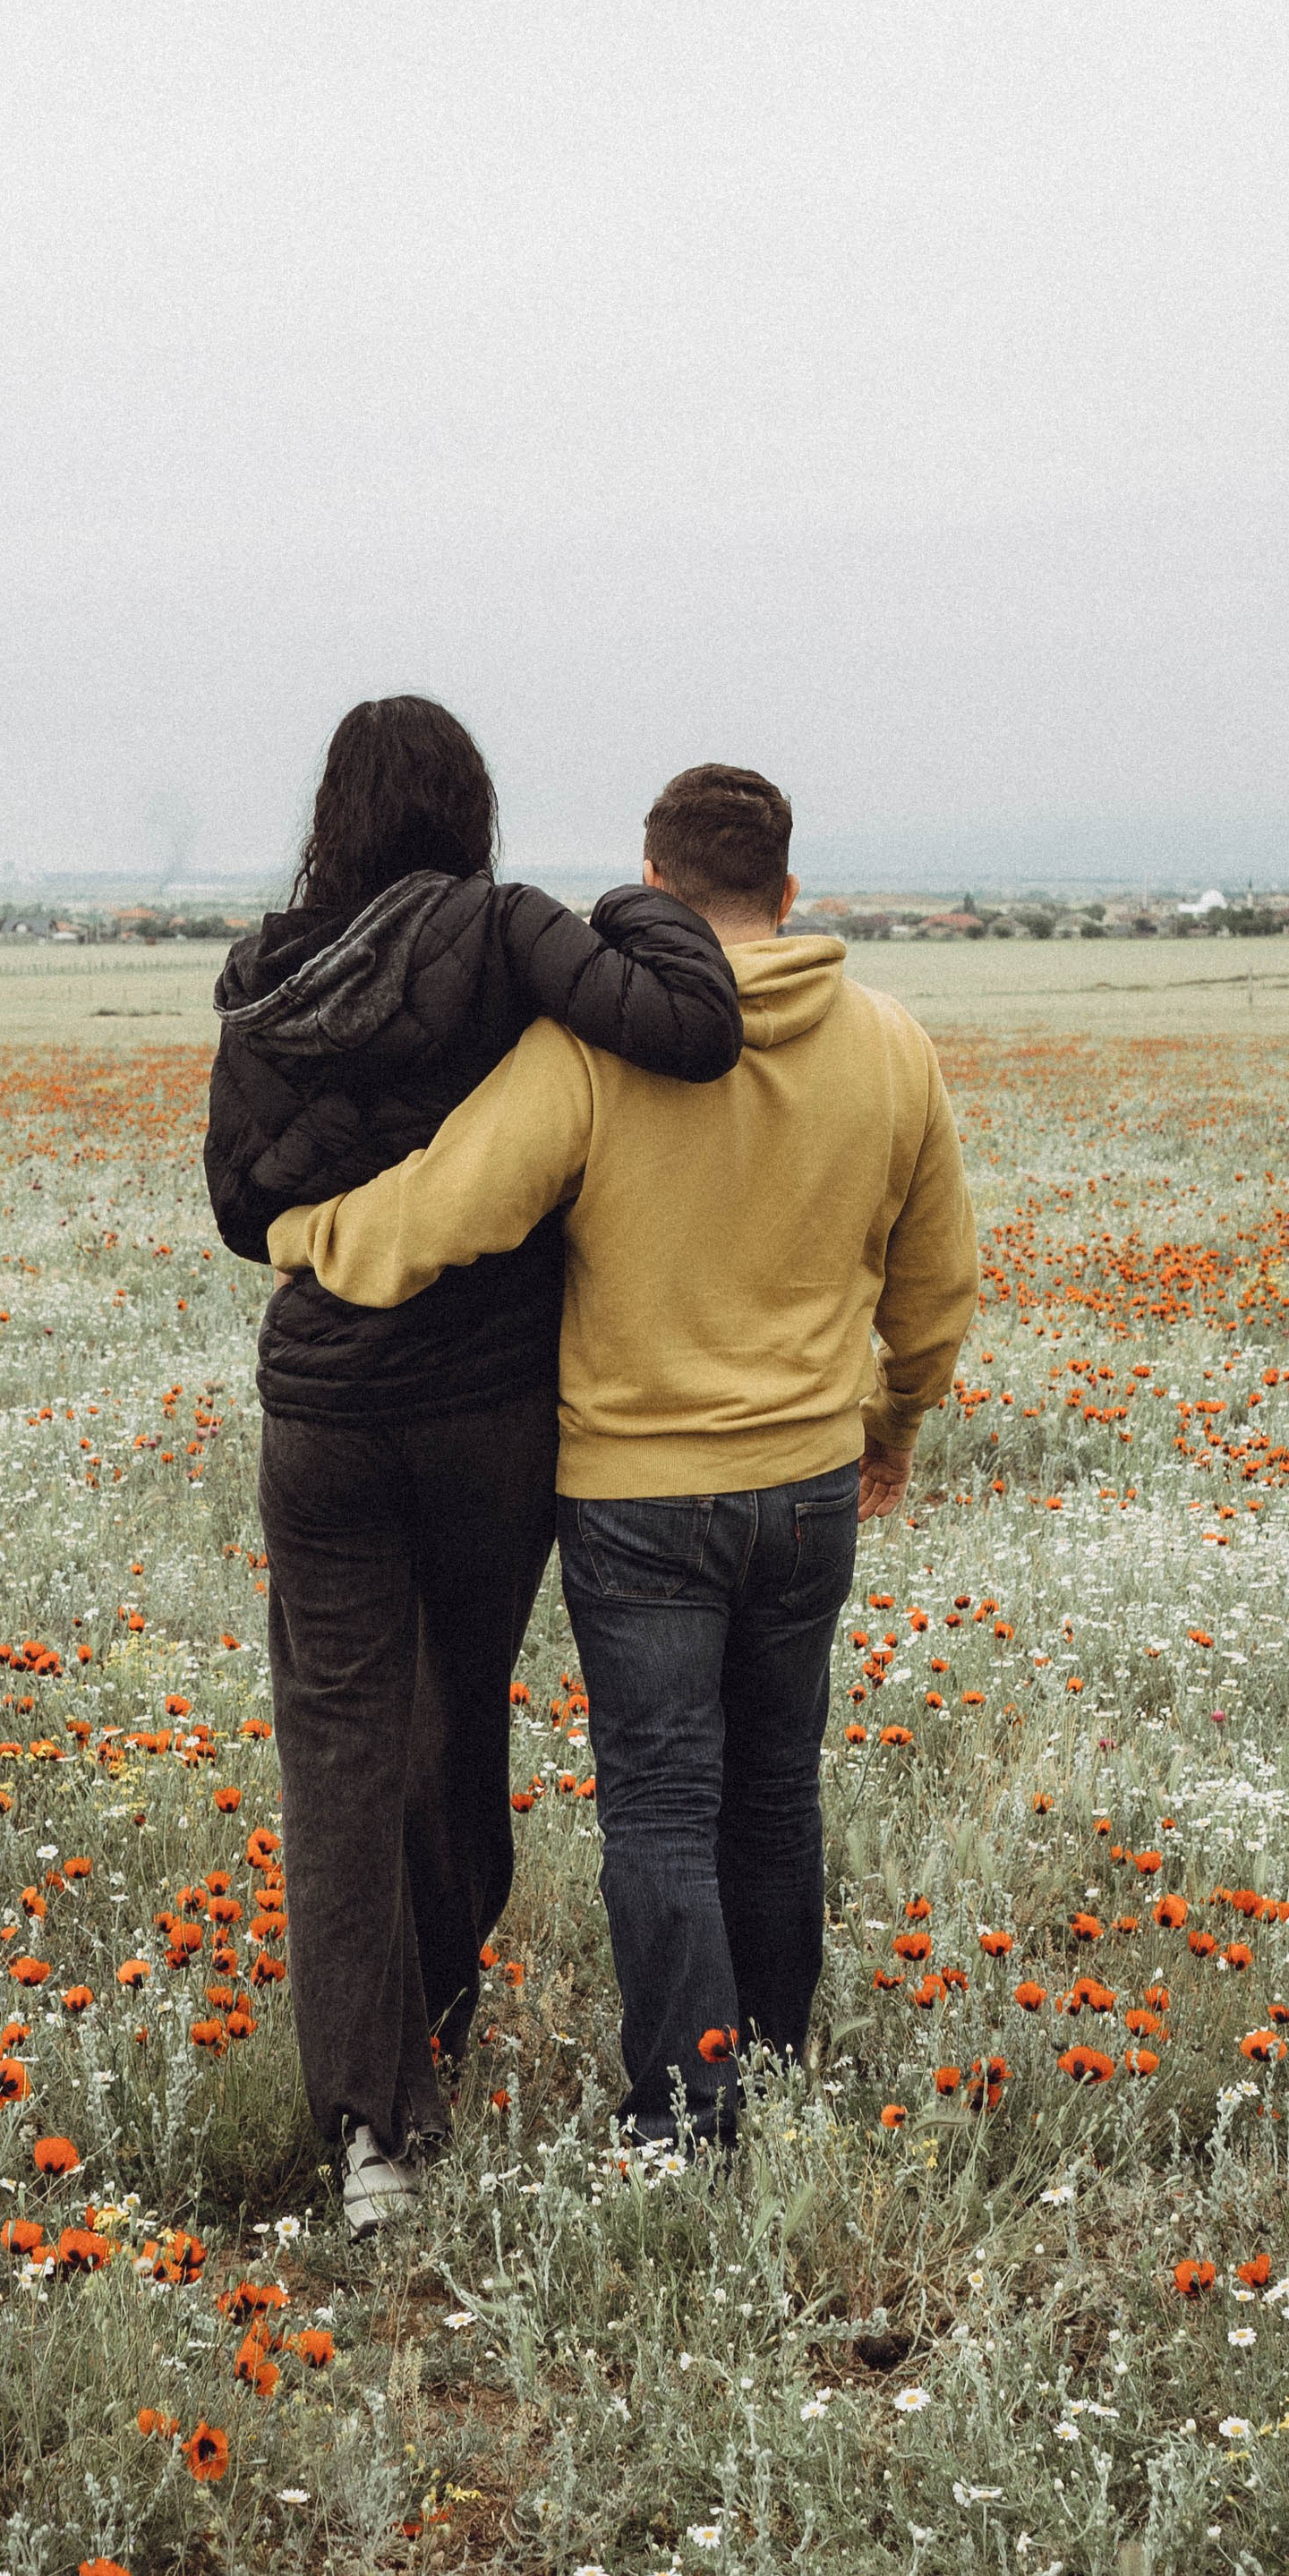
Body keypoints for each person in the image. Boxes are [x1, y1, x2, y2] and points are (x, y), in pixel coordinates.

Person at [268, 760, 978, 2153]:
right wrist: (890, 1428)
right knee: (776, 1786)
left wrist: (300, 1235)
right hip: (807, 1484)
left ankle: (683, 2121)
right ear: (788, 890)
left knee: (659, 1805)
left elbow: (440, 1215)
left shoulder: (599, 1048)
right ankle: (768, 2067)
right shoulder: (892, 1043)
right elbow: (937, 1284)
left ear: (652, 887)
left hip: (639, 1497)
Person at [204, 697, 743, 2231]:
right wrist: (640, 895)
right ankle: (433, 2023)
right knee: (454, 1729)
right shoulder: (510, 932)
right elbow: (694, 1029)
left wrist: (338, 1180)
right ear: (469, 805)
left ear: (335, 812)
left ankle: (377, 2127)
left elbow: (244, 1214)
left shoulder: (267, 977)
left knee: (339, 1756)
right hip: (491, 1415)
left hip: (324, 1419)